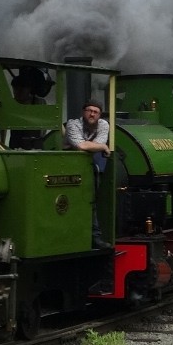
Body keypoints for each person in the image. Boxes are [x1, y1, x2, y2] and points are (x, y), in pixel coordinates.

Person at [66, 99, 112, 250]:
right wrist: (103, 146)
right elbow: (81, 146)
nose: (92, 114)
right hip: (68, 167)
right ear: (83, 112)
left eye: (95, 111)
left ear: (100, 115)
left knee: (91, 200)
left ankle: (94, 236)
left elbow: (95, 146)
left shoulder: (104, 125)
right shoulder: (73, 124)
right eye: (89, 110)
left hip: (90, 167)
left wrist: (99, 146)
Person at [7, 67, 51, 149]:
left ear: (29, 89)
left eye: (22, 90)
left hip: (35, 142)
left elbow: (45, 122)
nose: (18, 93)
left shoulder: (40, 102)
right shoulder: (10, 103)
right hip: (15, 142)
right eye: (15, 90)